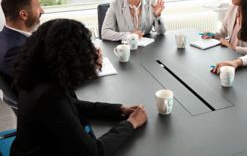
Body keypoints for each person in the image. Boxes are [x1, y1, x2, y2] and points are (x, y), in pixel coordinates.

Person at [10, 19, 148, 156]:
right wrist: (131, 123)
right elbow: (93, 152)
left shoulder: (36, 77)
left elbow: (72, 105)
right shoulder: (48, 97)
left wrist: (119, 109)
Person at [0, 0, 43, 84]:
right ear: (23, 15)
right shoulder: (16, 50)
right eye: (38, 6)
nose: (42, 11)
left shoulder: (3, 38)